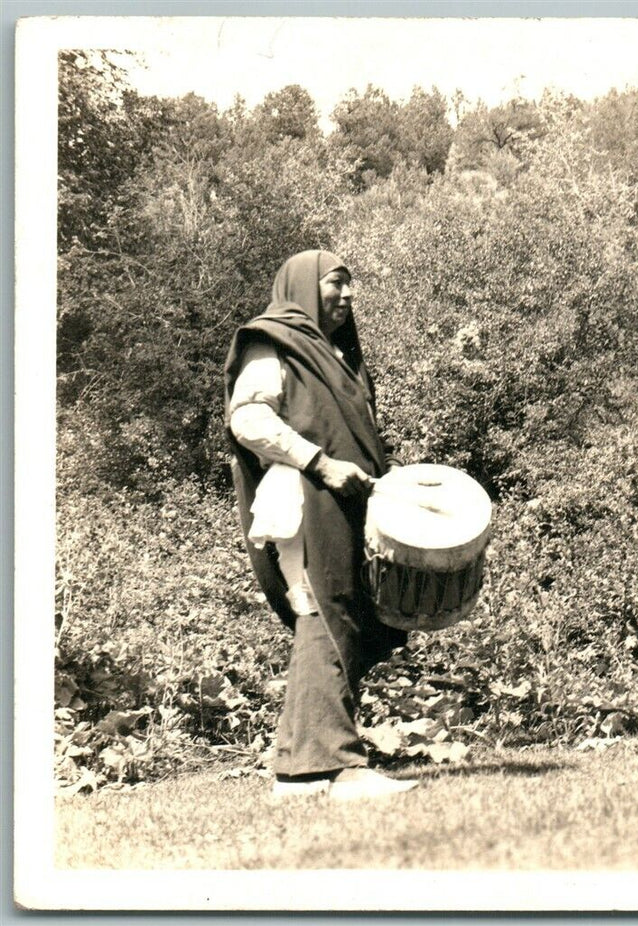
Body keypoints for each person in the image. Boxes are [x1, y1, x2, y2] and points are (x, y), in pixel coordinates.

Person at [224, 249, 417, 798]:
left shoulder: (337, 352)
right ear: (305, 287)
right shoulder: (274, 341)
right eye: (336, 284)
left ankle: (299, 767)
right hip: (304, 497)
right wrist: (321, 462)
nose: (348, 295)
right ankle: (336, 767)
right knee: (324, 613)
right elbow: (249, 419)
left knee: (343, 614)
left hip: (342, 502)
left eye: (351, 286)